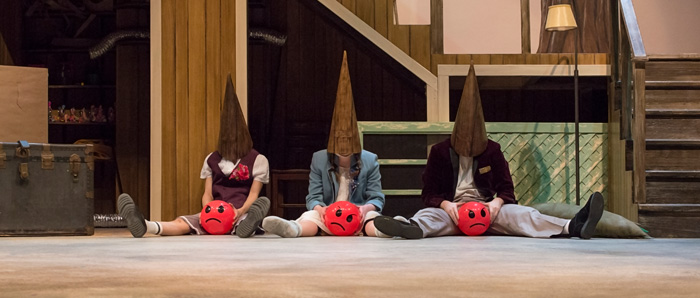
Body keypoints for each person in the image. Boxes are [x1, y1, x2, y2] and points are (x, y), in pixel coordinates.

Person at [373, 63, 604, 240]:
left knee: (521, 215)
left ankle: (571, 226)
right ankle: (407, 227)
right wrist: (446, 205)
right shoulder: (441, 152)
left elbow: (507, 190)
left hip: (485, 213)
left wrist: (496, 205)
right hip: (452, 213)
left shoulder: (492, 150)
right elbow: (429, 193)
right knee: (428, 217)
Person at [262, 52, 397, 238]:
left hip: (357, 213)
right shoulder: (319, 159)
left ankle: (386, 230)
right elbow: (313, 196)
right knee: (310, 216)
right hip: (329, 214)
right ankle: (293, 229)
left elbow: (376, 196)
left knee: (372, 219)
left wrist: (365, 209)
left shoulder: (369, 159)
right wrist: (321, 209)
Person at [118, 74, 270, 238]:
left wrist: (239, 212)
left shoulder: (258, 160)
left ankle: (246, 227)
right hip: (214, 212)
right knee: (183, 222)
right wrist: (208, 210)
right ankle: (145, 225)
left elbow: (254, 194)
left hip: (240, 212)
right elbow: (208, 193)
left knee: (245, 220)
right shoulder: (211, 159)